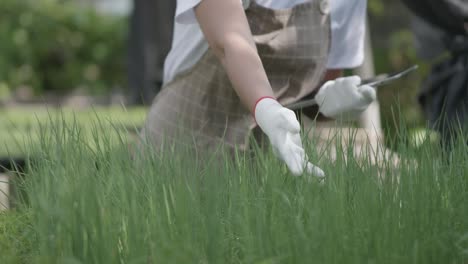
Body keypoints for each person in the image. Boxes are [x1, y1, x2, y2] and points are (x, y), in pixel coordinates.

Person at [139, 0, 376, 178]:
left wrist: (329, 102)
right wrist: (265, 106)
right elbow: (230, 43)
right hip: (183, 146)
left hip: (267, 166)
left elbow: (313, 99)